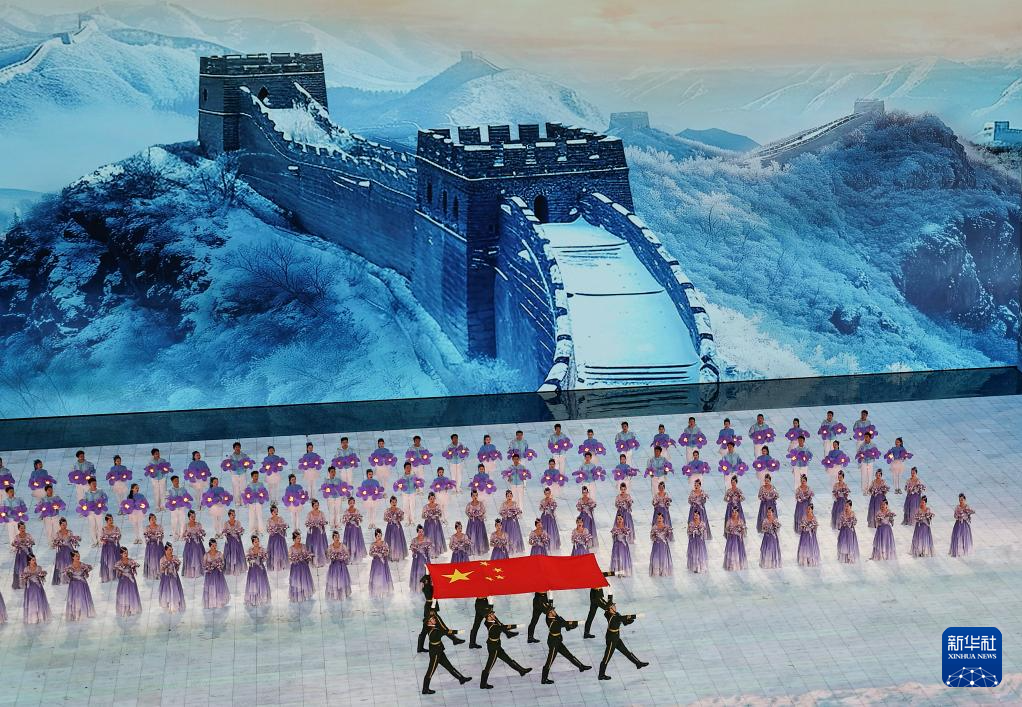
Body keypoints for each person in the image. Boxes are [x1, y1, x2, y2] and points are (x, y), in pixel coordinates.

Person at [480, 605, 531, 688]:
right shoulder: (494, 627)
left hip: (495, 645)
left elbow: (497, 621)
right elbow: (504, 627)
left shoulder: (489, 621)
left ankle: (521, 670)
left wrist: (490, 607)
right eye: (491, 614)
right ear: (488, 617)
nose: (494, 615)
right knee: (489, 666)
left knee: (508, 659)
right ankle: (483, 684)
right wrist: (518, 626)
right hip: (494, 648)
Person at [422, 614, 473, 694]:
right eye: (432, 619)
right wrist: (459, 631)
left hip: (438, 650)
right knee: (430, 671)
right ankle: (425, 689)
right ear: (429, 623)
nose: (435, 619)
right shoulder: (435, 631)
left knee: (449, 666)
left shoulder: (430, 628)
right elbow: (446, 631)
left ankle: (461, 678)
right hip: (435, 654)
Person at [597, 601, 648, 680]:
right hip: (611, 639)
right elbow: (623, 618)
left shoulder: (611, 613)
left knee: (626, 652)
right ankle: (601, 675)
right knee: (607, 657)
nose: (615, 607)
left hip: (615, 636)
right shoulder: (614, 617)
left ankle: (638, 663)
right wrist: (637, 616)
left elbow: (623, 620)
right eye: (613, 606)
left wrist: (627, 621)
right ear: (610, 609)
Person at [541, 606, 591, 684]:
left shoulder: (550, 617)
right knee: (549, 661)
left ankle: (581, 666)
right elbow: (564, 623)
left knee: (568, 655)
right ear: (550, 613)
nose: (555, 611)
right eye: (553, 610)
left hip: (556, 640)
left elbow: (560, 619)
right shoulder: (554, 622)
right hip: (553, 643)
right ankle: (544, 679)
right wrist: (579, 623)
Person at [21, 554, 50, 624]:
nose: (35, 561)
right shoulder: (26, 569)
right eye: (33, 560)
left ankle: (40, 616)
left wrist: (42, 576)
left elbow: (42, 579)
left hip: (38, 588)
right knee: (32, 602)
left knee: (39, 601)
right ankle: (33, 617)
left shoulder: (39, 568)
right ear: (29, 561)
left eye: (35, 559)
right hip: (30, 589)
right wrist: (25, 578)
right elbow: (23, 581)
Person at [79, 477, 109, 546]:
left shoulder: (100, 491)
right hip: (90, 512)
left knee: (100, 526)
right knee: (92, 527)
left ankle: (100, 540)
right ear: (89, 484)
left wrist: (103, 503)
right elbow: (84, 501)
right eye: (93, 483)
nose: (95, 485)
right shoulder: (87, 493)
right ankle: (94, 542)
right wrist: (84, 507)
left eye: (95, 483)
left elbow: (106, 498)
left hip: (98, 511)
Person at [113, 546, 142, 617]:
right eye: (124, 553)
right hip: (123, 581)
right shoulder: (119, 563)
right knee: (124, 594)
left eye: (127, 553)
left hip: (131, 581)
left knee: (132, 593)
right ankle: (125, 609)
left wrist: (134, 566)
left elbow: (137, 564)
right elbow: (116, 568)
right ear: (121, 554)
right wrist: (122, 570)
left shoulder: (130, 560)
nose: (126, 554)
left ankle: (132, 608)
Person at [202, 538, 230, 609]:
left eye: (215, 545)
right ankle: (212, 603)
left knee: (219, 587)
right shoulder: (206, 555)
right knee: (211, 588)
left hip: (218, 574)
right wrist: (209, 567)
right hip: (210, 575)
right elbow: (204, 565)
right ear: (210, 546)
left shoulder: (219, 553)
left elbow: (223, 563)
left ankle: (219, 602)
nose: (214, 547)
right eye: (213, 546)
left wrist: (219, 565)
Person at [158, 544, 186, 614]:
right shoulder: (162, 559)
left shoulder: (175, 557)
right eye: (169, 550)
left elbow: (177, 569)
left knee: (174, 590)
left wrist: (176, 565)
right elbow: (161, 571)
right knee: (167, 591)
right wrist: (165, 568)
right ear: (165, 550)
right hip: (166, 578)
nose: (171, 551)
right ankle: (168, 605)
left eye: (172, 549)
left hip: (174, 577)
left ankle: (174, 606)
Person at [288, 531, 315, 603]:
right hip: (295, 567)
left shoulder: (303, 546)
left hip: (303, 566)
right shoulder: (291, 548)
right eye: (298, 538)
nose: (299, 540)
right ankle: (298, 596)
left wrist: (307, 557)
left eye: (300, 538)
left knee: (304, 580)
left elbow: (306, 555)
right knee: (297, 581)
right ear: (294, 539)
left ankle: (305, 594)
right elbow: (290, 558)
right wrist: (294, 558)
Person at [51, 518, 79, 586]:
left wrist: (74, 541)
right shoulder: (58, 533)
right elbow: (56, 543)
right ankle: (63, 578)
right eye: (63, 525)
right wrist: (57, 543)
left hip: (69, 549)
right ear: (60, 525)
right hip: (61, 551)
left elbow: (72, 540)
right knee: (62, 564)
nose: (65, 526)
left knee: (70, 563)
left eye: (66, 524)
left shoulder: (70, 532)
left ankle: (70, 578)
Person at [245, 535, 271, 607]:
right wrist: (251, 560)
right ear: (252, 543)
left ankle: (262, 598)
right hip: (252, 569)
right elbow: (248, 559)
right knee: (253, 583)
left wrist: (261, 558)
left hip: (260, 569)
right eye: (255, 542)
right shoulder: (250, 550)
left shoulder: (262, 549)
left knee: (261, 582)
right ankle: (254, 599)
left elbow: (265, 558)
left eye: (258, 541)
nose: (257, 543)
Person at [324, 531, 351, 601]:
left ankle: (342, 594)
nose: (337, 538)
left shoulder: (343, 545)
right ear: (333, 538)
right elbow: (327, 556)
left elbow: (347, 554)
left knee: (341, 580)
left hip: (342, 567)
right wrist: (332, 557)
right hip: (334, 567)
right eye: (335, 537)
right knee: (334, 581)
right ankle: (335, 595)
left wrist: (343, 557)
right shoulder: (330, 547)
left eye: (338, 536)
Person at [242, 471, 270, 535]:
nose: (256, 477)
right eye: (255, 476)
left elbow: (264, 492)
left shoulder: (261, 484)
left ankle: (261, 531)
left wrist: (262, 498)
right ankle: (252, 531)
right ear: (252, 477)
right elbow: (246, 493)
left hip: (258, 502)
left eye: (257, 476)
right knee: (252, 517)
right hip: (251, 503)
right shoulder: (249, 485)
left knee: (259, 516)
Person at [367, 529, 393, 598]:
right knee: (376, 576)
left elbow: (387, 552)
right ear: (375, 536)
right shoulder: (373, 544)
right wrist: (377, 554)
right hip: (376, 563)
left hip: (383, 562)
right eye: (378, 536)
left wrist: (383, 554)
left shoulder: (385, 543)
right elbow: (370, 553)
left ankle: (384, 591)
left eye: (380, 535)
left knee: (383, 575)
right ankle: (376, 591)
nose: (379, 537)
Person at [220, 509, 246, 575]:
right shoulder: (226, 523)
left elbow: (240, 531)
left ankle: (237, 568)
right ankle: (229, 569)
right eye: (232, 515)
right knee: (228, 554)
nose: (234, 516)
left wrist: (239, 532)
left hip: (236, 541)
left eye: (234, 515)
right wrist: (226, 533)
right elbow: (224, 532)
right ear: (229, 515)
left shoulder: (238, 522)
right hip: (229, 541)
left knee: (237, 554)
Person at [181, 511, 206, 579]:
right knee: (190, 556)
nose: (194, 517)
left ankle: (199, 571)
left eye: (194, 516)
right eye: (192, 516)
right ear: (189, 517)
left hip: (198, 543)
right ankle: (191, 571)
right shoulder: (186, 525)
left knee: (198, 555)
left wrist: (201, 534)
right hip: (189, 544)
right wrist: (187, 536)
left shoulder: (198, 524)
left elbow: (202, 532)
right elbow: (183, 535)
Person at [949, 493, 975, 557]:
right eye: (959, 500)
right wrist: (958, 516)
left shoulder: (967, 507)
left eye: (962, 500)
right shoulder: (957, 507)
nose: (960, 501)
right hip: (958, 524)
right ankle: (958, 551)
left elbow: (972, 512)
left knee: (965, 536)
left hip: (965, 524)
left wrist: (967, 513)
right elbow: (955, 516)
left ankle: (965, 550)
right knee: (957, 537)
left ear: (964, 500)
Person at [383, 496, 408, 562]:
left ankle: (398, 555)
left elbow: (402, 518)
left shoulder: (399, 510)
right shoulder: (388, 510)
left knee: (397, 540)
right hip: (390, 527)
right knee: (390, 540)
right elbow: (385, 519)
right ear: (390, 503)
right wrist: (390, 519)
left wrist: (398, 518)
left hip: (397, 527)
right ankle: (391, 555)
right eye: (393, 502)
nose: (394, 503)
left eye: (395, 502)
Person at [305, 499, 329, 567]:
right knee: (313, 546)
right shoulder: (309, 514)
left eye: (317, 505)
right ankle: (314, 561)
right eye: (315, 505)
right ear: (312, 506)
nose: (317, 506)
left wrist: (322, 524)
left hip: (320, 532)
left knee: (320, 546)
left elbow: (324, 521)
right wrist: (311, 524)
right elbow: (307, 522)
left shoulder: (321, 513)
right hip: (312, 533)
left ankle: (321, 561)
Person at [342, 498, 366, 563]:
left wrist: (357, 519)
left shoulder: (357, 511)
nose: (351, 504)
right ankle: (349, 556)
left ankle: (355, 556)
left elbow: (361, 519)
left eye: (353, 502)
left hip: (355, 529)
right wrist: (348, 520)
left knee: (355, 541)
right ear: (348, 503)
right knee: (349, 541)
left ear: (354, 503)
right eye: (350, 503)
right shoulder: (346, 511)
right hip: (349, 529)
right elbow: (343, 521)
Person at [99, 514, 122, 583]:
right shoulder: (103, 529)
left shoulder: (116, 528)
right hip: (107, 547)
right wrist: (103, 540)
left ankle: (116, 575)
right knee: (108, 562)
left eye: (112, 519)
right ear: (106, 521)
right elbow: (101, 538)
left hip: (115, 546)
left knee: (116, 560)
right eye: (110, 520)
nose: (111, 521)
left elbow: (119, 536)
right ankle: (108, 576)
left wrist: (116, 538)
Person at [409, 525, 433, 591]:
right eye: (419, 532)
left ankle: (427, 587)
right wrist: (415, 550)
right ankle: (418, 587)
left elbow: (430, 548)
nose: (421, 533)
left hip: (425, 559)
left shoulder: (427, 539)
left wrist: (428, 549)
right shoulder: (414, 540)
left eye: (422, 531)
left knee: (426, 572)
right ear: (417, 532)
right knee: (418, 572)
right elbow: (412, 549)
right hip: (417, 560)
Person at [266, 505, 290, 571]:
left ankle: (281, 564)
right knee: (274, 550)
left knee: (280, 550)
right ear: (271, 512)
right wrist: (272, 530)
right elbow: (268, 529)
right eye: (274, 511)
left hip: (280, 537)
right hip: (273, 538)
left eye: (276, 511)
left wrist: (282, 528)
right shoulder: (269, 520)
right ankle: (274, 565)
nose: (276, 512)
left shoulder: (280, 518)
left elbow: (284, 526)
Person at [465, 489, 489, 555]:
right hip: (472, 522)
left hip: (479, 522)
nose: (475, 497)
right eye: (473, 495)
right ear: (471, 496)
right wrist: (471, 515)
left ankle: (480, 549)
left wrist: (479, 514)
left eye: (476, 495)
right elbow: (467, 512)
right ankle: (472, 549)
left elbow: (483, 511)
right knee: (472, 534)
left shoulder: (480, 503)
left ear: (477, 496)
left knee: (479, 534)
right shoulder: (469, 504)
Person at [142, 514, 164, 581]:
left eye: (154, 519)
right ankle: (152, 573)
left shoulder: (159, 527)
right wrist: (149, 537)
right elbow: (146, 537)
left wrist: (158, 536)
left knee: (158, 559)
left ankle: (159, 573)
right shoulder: (147, 528)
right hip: (150, 546)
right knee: (152, 560)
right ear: (149, 520)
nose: (153, 520)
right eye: (152, 519)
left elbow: (162, 536)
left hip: (158, 546)